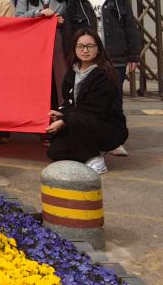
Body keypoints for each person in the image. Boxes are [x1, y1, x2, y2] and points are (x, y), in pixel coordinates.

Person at [65, 0, 141, 156]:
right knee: (86, 98)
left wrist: (133, 55)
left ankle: (114, 140)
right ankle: (89, 137)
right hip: (86, 57)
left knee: (114, 99)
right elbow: (70, 29)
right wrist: (71, 55)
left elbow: (130, 25)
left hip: (114, 56)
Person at [47, 29, 127, 175]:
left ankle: (96, 157)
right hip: (81, 121)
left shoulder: (104, 74)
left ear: (98, 49)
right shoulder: (71, 72)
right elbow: (70, 104)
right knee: (55, 152)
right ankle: (87, 153)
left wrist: (64, 120)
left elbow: (93, 108)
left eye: (90, 46)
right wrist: (61, 112)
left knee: (75, 118)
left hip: (106, 126)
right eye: (80, 46)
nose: (85, 50)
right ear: (74, 49)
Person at [16, 0, 69, 137]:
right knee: (39, 82)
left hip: (59, 44)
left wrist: (63, 21)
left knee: (59, 80)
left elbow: (73, 16)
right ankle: (41, 125)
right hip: (35, 46)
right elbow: (18, 17)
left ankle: (61, 119)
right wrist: (38, 13)